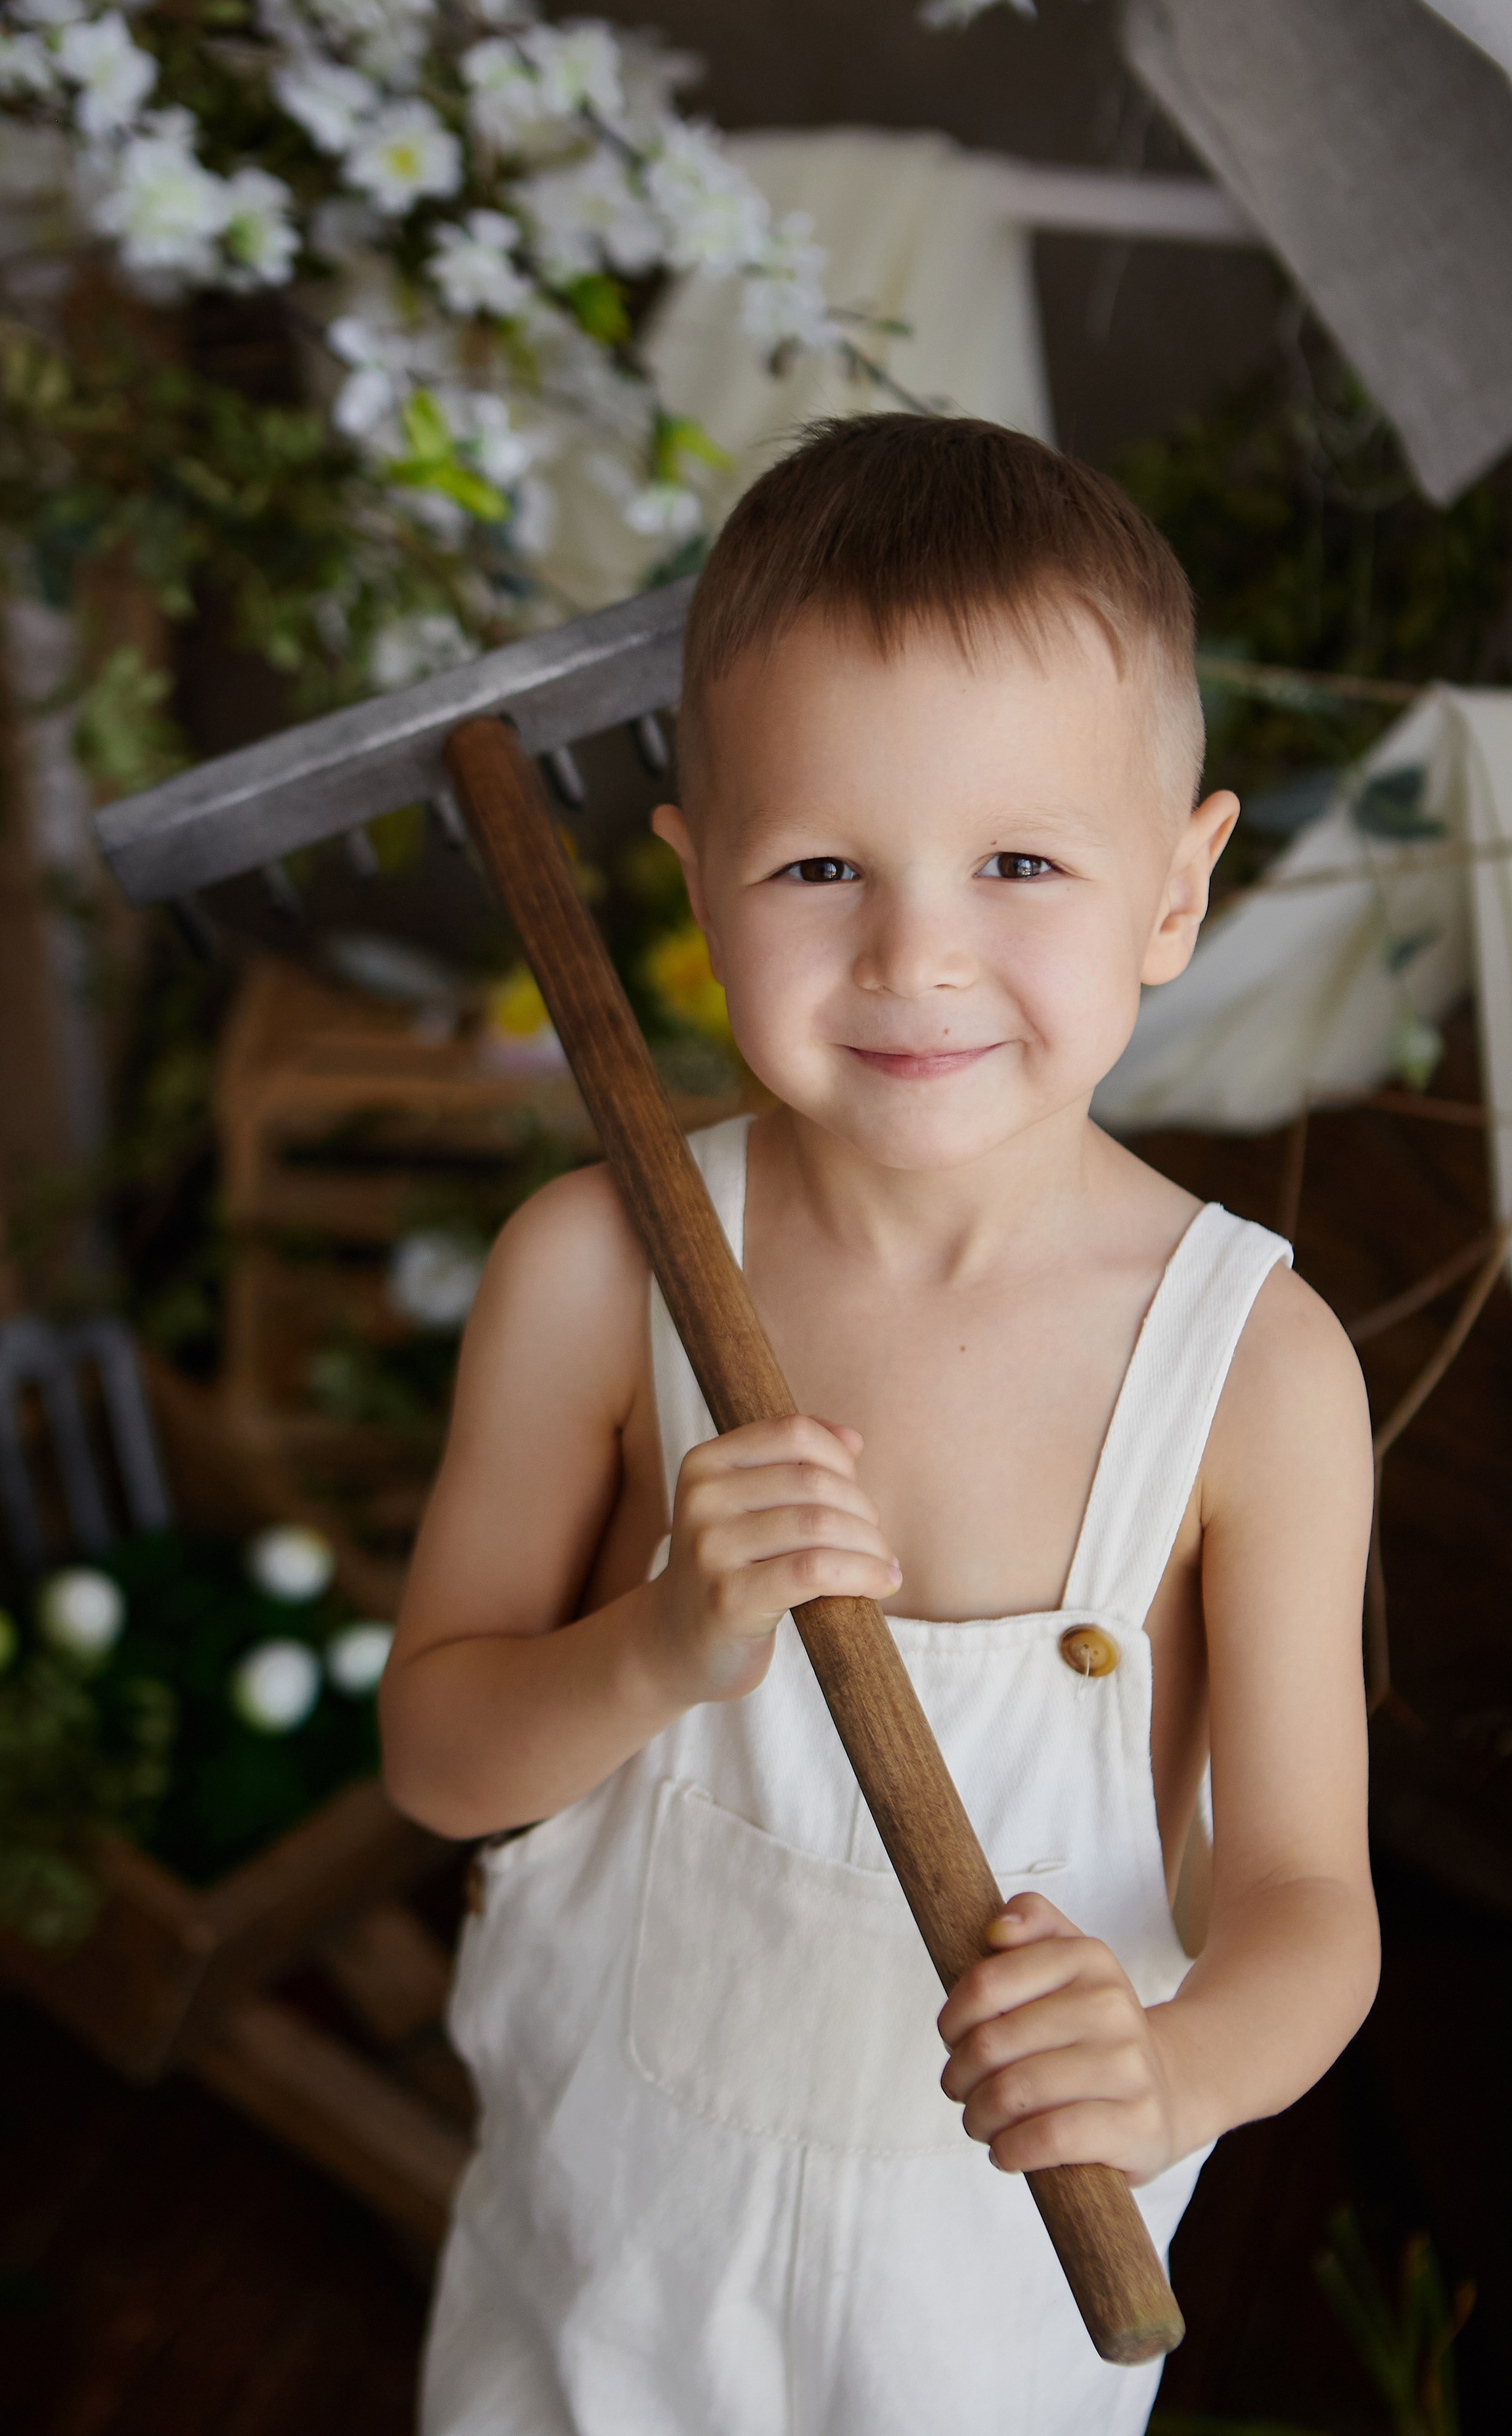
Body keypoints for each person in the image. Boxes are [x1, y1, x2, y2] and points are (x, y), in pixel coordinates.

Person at [384, 414, 1379, 2436]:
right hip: (605, 2273)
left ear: (1179, 889)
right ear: (694, 880)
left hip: (984, 2320)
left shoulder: (1253, 1371)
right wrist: (664, 1640)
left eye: (1021, 862)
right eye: (821, 864)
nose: (917, 952)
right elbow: (444, 1761)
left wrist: (1173, 2072)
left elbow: (1307, 1908)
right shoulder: (595, 1274)